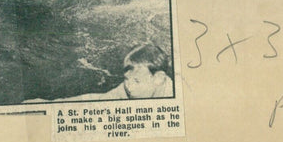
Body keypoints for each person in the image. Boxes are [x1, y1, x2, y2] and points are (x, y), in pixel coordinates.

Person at [25, 44, 174, 102]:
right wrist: (48, 104)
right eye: (126, 79)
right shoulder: (133, 85)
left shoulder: (177, 95)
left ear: (159, 79)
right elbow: (97, 100)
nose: (129, 86)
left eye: (136, 81)